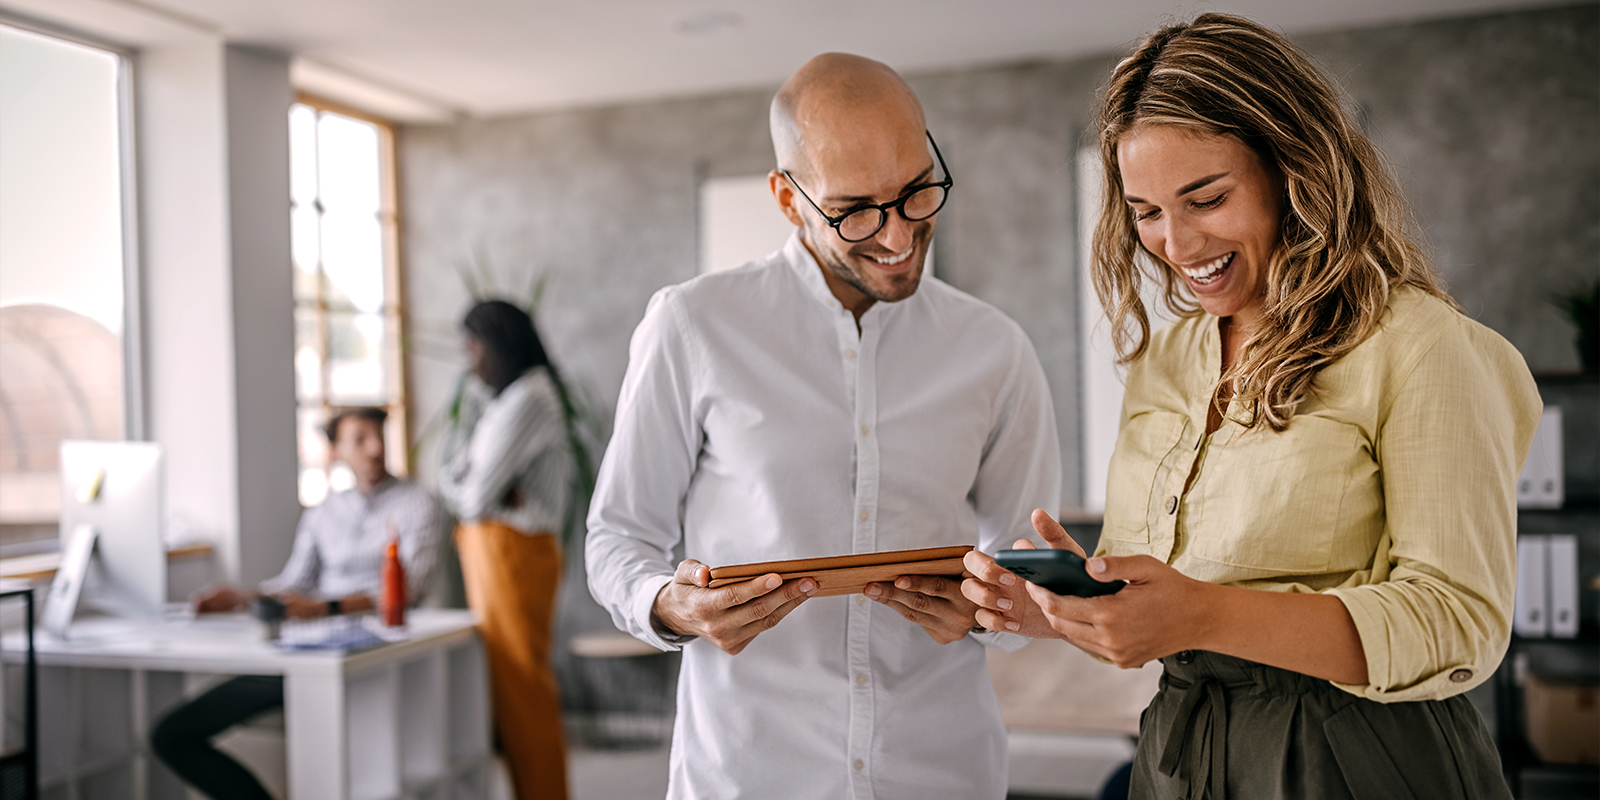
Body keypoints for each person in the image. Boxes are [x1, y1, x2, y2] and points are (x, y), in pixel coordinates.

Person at [961, 13, 1542, 800]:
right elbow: (1162, 613)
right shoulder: (1166, 361)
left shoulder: (1420, 346)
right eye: (1146, 211)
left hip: (1360, 759)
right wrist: (1067, 613)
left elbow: (1456, 622)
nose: (1176, 241)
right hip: (1181, 754)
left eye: (1206, 198)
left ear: (1293, 171)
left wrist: (1201, 616)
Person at [586, 53, 1062, 800]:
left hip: (941, 770)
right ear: (787, 198)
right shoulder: (694, 326)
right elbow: (618, 537)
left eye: (917, 192)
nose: (900, 234)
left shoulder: (995, 349)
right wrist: (672, 605)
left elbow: (1026, 558)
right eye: (855, 210)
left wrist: (997, 606)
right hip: (749, 772)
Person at [151, 406, 440, 800]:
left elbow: (409, 590)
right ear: (336, 450)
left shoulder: (417, 503)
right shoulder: (323, 512)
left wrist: (324, 609)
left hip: (374, 658)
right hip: (308, 654)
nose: (374, 448)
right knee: (173, 734)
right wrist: (241, 598)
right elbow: (294, 584)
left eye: (379, 436)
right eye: (360, 438)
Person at [438, 299, 574, 800]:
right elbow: (453, 474)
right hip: (495, 553)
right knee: (509, 691)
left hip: (515, 555)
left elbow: (470, 496)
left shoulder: (531, 397)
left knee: (524, 690)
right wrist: (474, 486)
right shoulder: (502, 400)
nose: (468, 359)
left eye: (472, 345)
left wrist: (474, 487)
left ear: (497, 343)